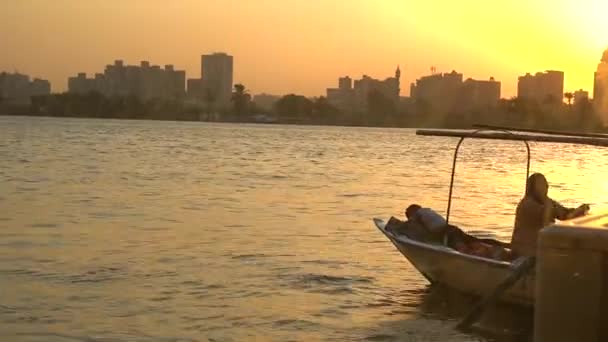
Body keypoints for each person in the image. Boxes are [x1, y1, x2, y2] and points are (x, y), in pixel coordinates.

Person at [511, 173, 590, 257]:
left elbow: (565, 215)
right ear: (533, 188)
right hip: (524, 252)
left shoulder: (546, 202)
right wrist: (548, 206)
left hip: (540, 250)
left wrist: (578, 211)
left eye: (546, 184)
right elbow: (545, 226)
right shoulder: (527, 205)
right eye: (542, 184)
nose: (546, 187)